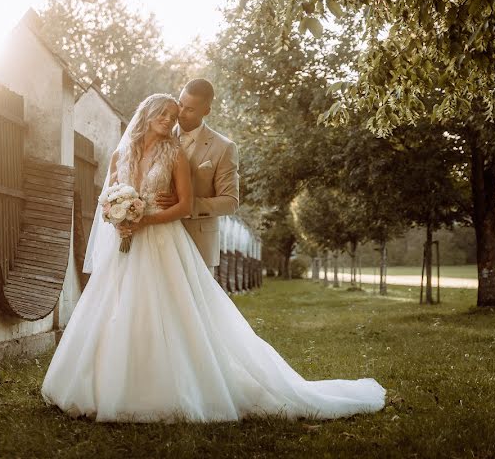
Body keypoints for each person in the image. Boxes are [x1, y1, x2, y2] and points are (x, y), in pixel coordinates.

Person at [41, 93, 385, 423]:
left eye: (173, 117)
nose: (168, 120)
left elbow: (185, 206)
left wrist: (144, 218)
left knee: (170, 311)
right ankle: (104, 383)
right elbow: (107, 199)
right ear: (146, 114)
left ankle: (172, 386)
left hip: (162, 240)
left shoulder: (174, 155)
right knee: (116, 307)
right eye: (162, 114)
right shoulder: (120, 155)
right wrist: (118, 219)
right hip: (126, 243)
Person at [156, 79, 238, 277]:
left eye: (190, 109)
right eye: (180, 104)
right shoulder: (158, 136)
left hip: (198, 242)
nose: (181, 113)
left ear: (206, 111)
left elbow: (230, 202)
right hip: (158, 239)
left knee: (198, 306)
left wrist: (185, 204)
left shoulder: (224, 147)